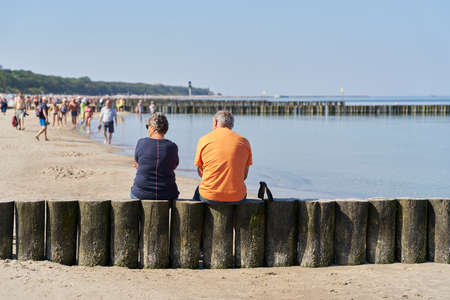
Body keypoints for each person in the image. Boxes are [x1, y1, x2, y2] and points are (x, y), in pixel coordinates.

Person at [193, 111, 252, 204]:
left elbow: (201, 173)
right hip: (237, 196)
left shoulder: (204, 140)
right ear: (232, 125)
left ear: (215, 122)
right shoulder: (244, 142)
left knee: (198, 191)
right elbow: (244, 176)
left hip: (209, 196)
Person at [130, 113, 179, 200]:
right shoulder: (172, 147)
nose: (147, 129)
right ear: (165, 129)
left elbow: (137, 165)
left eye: (147, 126)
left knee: (133, 192)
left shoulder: (141, 143)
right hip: (168, 193)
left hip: (141, 193)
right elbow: (174, 166)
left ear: (152, 128)